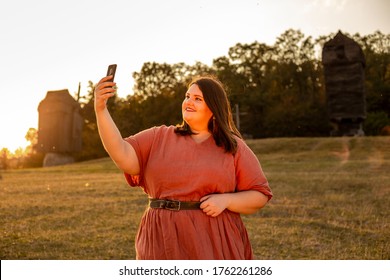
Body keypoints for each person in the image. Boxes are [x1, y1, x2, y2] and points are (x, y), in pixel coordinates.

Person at [94, 74, 273, 260]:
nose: (189, 102)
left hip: (212, 240)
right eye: (187, 96)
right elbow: (122, 154)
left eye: (198, 99)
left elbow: (259, 195)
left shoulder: (232, 147)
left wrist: (226, 200)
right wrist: (101, 110)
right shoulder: (158, 137)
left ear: (213, 108)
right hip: (160, 238)